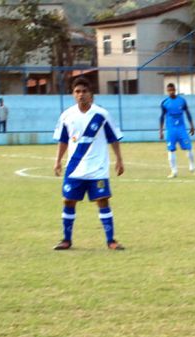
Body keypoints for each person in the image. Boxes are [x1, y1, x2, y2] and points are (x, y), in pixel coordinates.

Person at [52, 77, 125, 251]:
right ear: (73, 94)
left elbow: (113, 138)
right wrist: (57, 161)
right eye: (77, 91)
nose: (81, 95)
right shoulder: (67, 116)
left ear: (91, 94)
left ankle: (111, 240)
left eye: (84, 91)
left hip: (97, 168)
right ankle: (66, 240)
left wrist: (119, 160)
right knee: (68, 201)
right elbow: (62, 141)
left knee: (102, 201)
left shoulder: (102, 115)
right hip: (74, 168)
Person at [159, 82, 195, 177]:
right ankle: (174, 171)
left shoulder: (182, 101)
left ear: (175, 90)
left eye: (173, 90)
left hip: (182, 129)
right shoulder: (165, 103)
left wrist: (192, 126)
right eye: (169, 90)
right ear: (167, 91)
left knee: (189, 148)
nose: (171, 92)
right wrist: (161, 130)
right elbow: (161, 117)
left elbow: (188, 113)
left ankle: (192, 168)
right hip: (171, 130)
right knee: (171, 150)